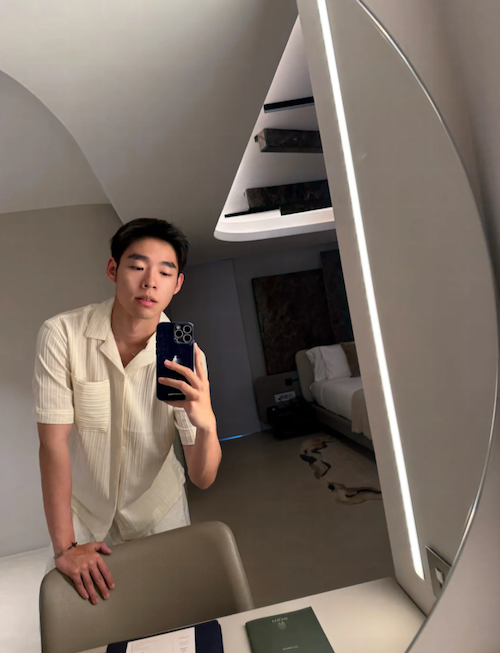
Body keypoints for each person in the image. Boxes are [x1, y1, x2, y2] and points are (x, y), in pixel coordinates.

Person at [33, 218, 221, 606]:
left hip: (159, 513)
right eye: (137, 266)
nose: (150, 282)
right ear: (113, 269)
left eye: (165, 273)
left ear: (177, 284)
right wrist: (65, 546)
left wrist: (206, 424)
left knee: (171, 609)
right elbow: (53, 445)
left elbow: (203, 477)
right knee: (97, 618)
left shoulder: (187, 358)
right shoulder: (61, 335)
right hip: (84, 515)